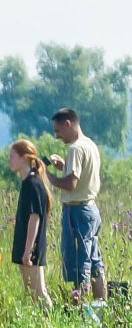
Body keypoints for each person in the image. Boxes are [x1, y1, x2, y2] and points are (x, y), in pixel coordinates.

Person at [43, 108, 103, 303]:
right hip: (90, 210)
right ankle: (100, 307)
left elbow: (71, 184)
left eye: (58, 130)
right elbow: (82, 175)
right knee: (95, 264)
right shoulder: (90, 144)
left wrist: (47, 175)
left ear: (68, 124)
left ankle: (80, 310)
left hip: (77, 212)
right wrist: (64, 167)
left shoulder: (75, 149)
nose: (57, 136)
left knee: (79, 266)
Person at [9, 140, 49, 306]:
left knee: (39, 293)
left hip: (30, 249)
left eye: (12, 156)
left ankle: (52, 320)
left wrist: (28, 251)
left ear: (24, 158)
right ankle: (43, 321)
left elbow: (34, 218)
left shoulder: (33, 184)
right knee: (31, 294)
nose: (9, 160)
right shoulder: (28, 182)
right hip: (25, 247)